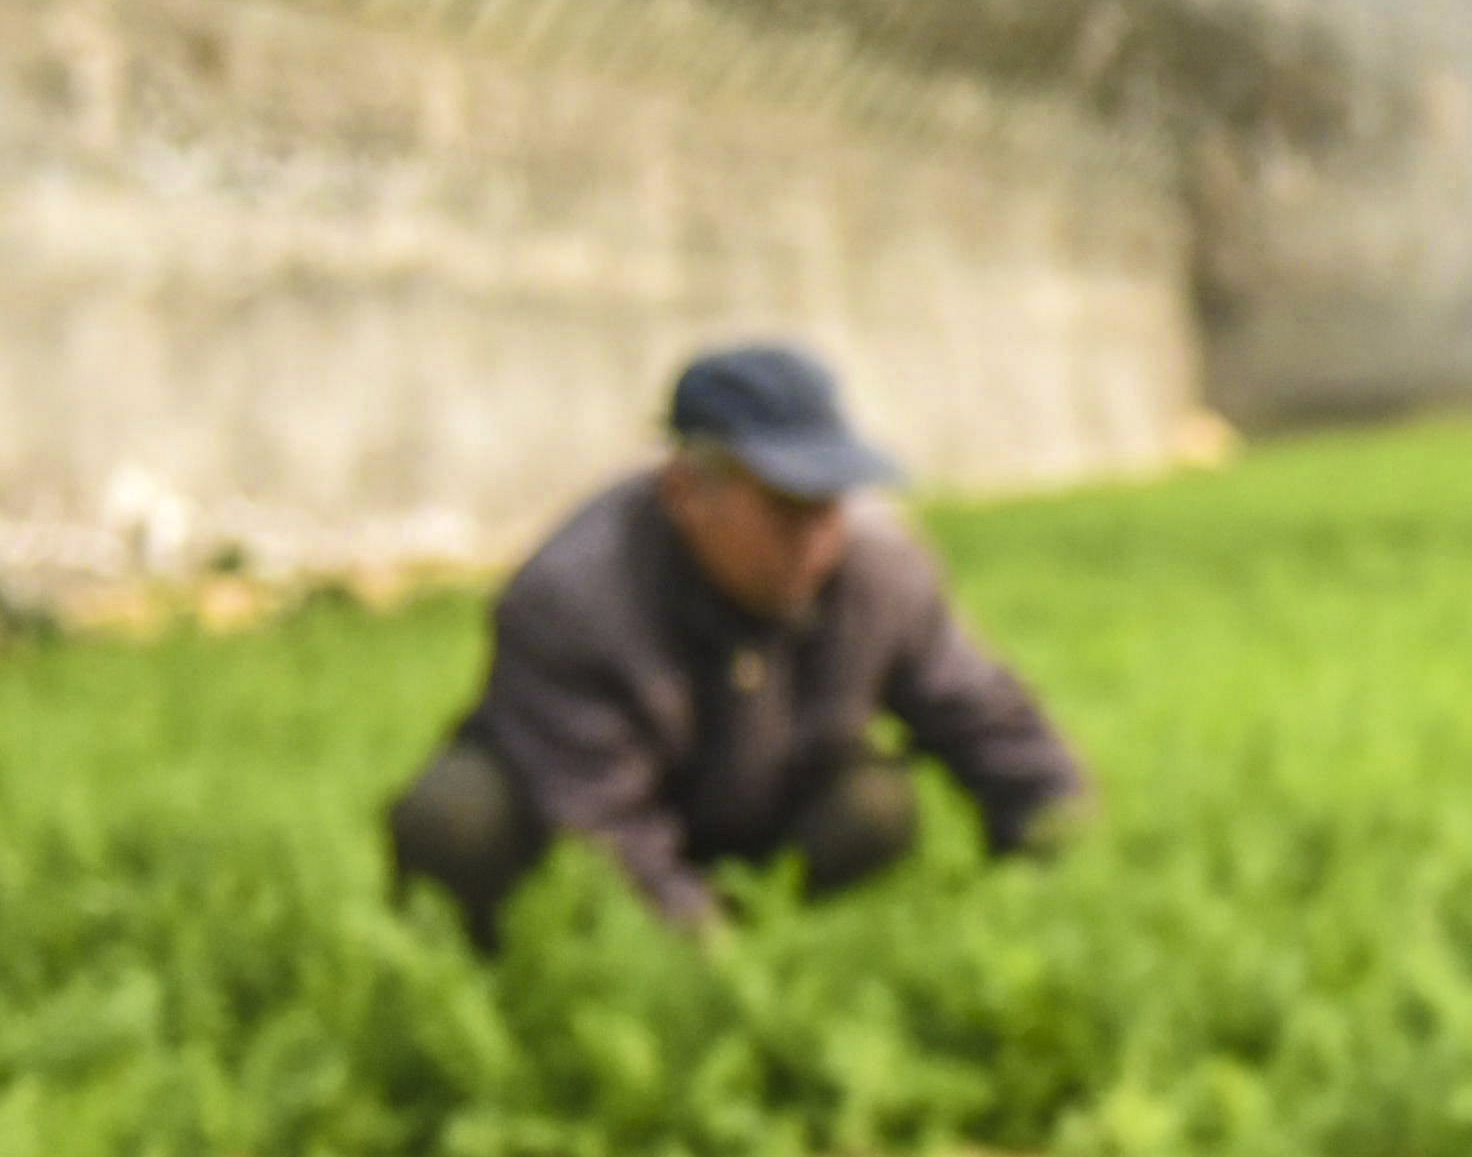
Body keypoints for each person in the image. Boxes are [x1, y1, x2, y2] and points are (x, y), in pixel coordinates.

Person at [386, 343, 1091, 949]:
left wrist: (1061, 848)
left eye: (831, 504)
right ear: (686, 492)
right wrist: (710, 960)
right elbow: (601, 823)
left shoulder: (879, 569)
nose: (819, 540)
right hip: (574, 812)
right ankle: (510, 967)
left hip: (761, 804)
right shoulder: (574, 598)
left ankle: (786, 938)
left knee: (874, 803)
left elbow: (985, 716)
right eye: (788, 508)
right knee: (454, 815)